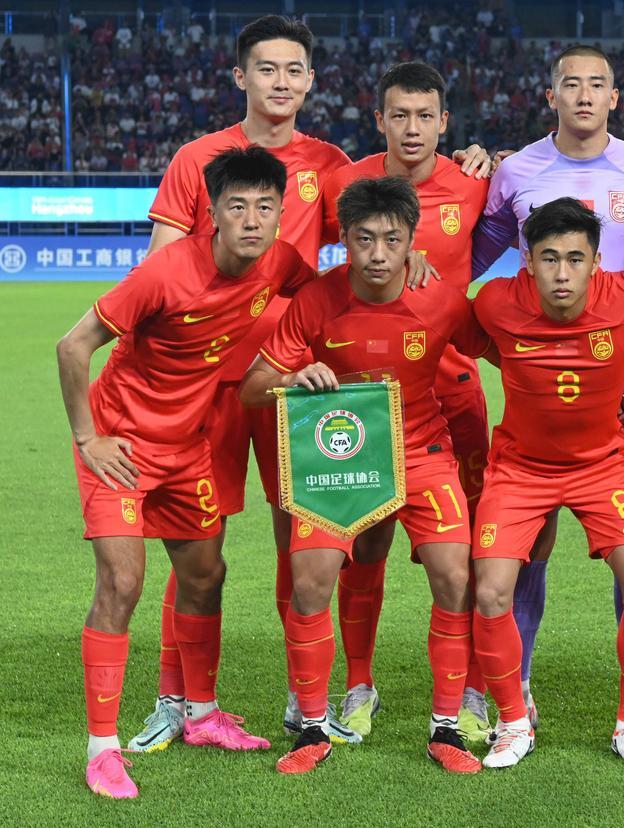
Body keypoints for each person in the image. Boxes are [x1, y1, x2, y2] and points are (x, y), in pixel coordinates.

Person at [137, 14, 494, 748]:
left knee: (296, 539)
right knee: (197, 541)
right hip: (209, 383)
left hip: (300, 382)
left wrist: (464, 178)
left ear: (309, 80)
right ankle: (179, 699)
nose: (280, 82)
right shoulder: (198, 158)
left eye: (293, 70)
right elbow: (159, 269)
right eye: (266, 69)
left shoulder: (332, 167)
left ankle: (303, 704)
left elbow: (378, 227)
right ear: (241, 76)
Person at [58, 147, 313, 798]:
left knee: (205, 576)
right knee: (122, 582)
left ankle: (201, 715)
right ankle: (102, 749)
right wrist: (88, 437)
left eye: (264, 207)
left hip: (187, 447)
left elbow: (325, 296)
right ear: (213, 215)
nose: (251, 220)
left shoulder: (282, 262)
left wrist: (407, 264)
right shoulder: (166, 272)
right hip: (122, 447)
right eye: (237, 207)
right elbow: (73, 345)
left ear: (280, 214)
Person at [241, 176, 490, 775]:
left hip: (424, 451)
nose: (378, 254)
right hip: (344, 456)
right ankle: (311, 726)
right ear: (345, 239)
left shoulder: (442, 299)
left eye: (392, 240)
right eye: (364, 239)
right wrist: (291, 378)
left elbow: (509, 351)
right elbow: (252, 386)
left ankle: (446, 726)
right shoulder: (316, 301)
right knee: (309, 580)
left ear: (412, 241)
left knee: (455, 575)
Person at [470, 44, 624, 729]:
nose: (583, 95)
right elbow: (465, 260)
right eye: (571, 84)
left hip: (619, 387)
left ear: (614, 97)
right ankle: (518, 682)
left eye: (597, 85)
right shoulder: (515, 172)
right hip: (536, 384)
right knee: (525, 552)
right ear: (551, 95)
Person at [318, 61, 494, 743]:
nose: (412, 128)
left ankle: (471, 689)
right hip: (367, 399)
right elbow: (313, 270)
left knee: (464, 556)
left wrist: (498, 154)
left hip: (453, 393)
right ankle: (359, 684)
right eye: (400, 115)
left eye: (425, 116)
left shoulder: (476, 181)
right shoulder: (346, 184)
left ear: (445, 122)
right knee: (366, 545)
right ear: (380, 120)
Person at [469, 198, 624, 769]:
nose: (562, 272)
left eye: (575, 259)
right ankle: (513, 723)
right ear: (526, 260)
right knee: (490, 592)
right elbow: (468, 338)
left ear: (597, 262)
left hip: (603, 466)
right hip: (520, 469)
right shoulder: (496, 302)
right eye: (549, 258)